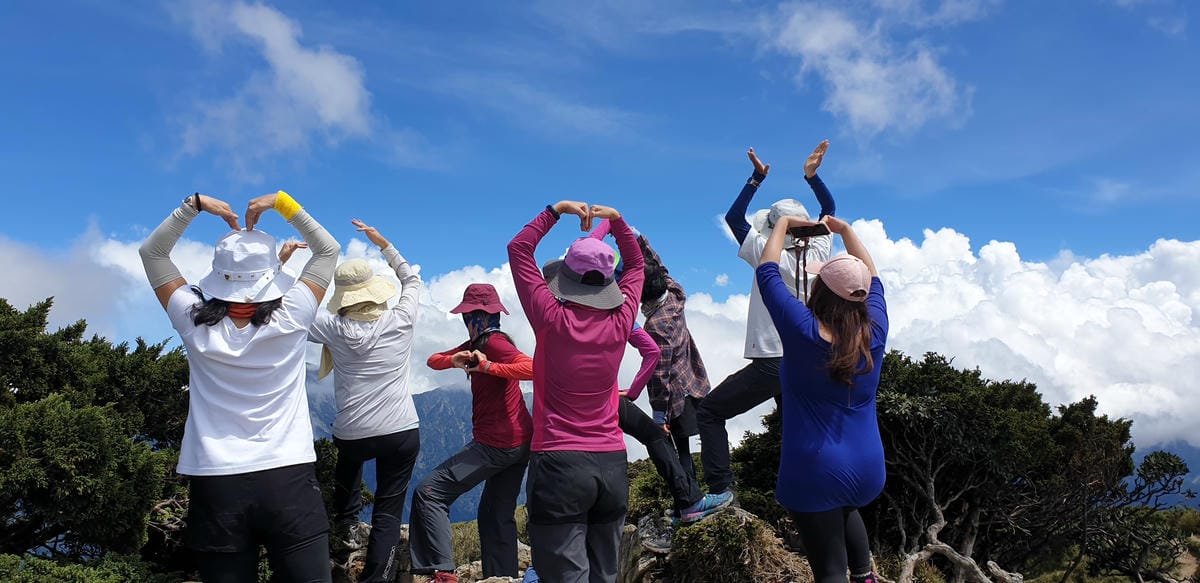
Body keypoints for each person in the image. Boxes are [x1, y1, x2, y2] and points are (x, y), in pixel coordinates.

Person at [138, 190, 339, 583]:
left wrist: (193, 205)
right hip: (288, 477)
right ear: (270, 276)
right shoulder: (293, 315)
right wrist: (283, 204)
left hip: (216, 482)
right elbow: (327, 251)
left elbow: (153, 255)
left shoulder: (193, 320)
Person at [507, 201, 642, 583]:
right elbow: (635, 266)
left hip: (559, 463)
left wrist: (555, 211)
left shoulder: (550, 317)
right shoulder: (622, 318)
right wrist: (617, 220)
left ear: (566, 276)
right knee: (605, 573)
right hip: (613, 464)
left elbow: (519, 249)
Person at [697, 141, 837, 498]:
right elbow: (830, 210)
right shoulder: (820, 250)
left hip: (771, 361)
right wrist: (813, 177)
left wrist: (756, 178)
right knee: (795, 430)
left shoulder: (766, 254)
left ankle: (721, 490)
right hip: (809, 358)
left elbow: (733, 219)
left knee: (711, 413)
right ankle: (810, 489)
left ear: (775, 230)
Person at [757, 214, 886, 583]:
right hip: (868, 467)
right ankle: (865, 576)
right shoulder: (875, 329)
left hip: (815, 469)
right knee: (844, 507)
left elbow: (767, 273)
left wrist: (781, 224)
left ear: (820, 292)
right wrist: (845, 231)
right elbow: (874, 278)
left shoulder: (803, 330)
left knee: (829, 572)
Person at [588, 222, 731, 527]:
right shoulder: (676, 292)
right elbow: (658, 264)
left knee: (678, 446)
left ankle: (688, 504)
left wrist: (658, 414)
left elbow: (660, 375)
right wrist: (628, 230)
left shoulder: (655, 328)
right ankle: (693, 499)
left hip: (676, 396)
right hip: (695, 380)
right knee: (687, 444)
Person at [302, 219, 421, 583]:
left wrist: (282, 264)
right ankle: (377, 578)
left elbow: (292, 313)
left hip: (352, 433)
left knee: (347, 462)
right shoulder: (401, 319)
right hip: (400, 430)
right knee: (387, 511)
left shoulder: (332, 328)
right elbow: (412, 280)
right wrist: (384, 244)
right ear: (375, 291)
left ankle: (346, 523)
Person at [409, 283, 534, 582]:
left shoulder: (494, 345)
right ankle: (501, 577)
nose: (465, 321)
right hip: (520, 443)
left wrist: (489, 367)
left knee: (429, 492)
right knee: (494, 514)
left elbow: (532, 367)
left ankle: (440, 571)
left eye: (467, 315)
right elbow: (432, 360)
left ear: (475, 317)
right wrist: (454, 360)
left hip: (497, 444)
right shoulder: (478, 343)